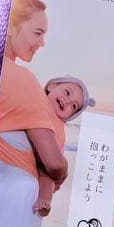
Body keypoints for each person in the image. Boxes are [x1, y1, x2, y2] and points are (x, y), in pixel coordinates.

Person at [0, 0, 78, 227]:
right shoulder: (22, 79)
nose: (42, 42)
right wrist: (62, 170)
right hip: (16, 202)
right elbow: (54, 163)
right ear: (11, 26)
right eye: (37, 33)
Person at [33, 76, 95, 216]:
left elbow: (55, 160)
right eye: (67, 92)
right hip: (30, 152)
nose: (67, 101)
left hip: (46, 162)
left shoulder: (59, 124)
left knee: (47, 178)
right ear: (52, 86)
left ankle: (45, 200)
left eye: (73, 107)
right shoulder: (35, 100)